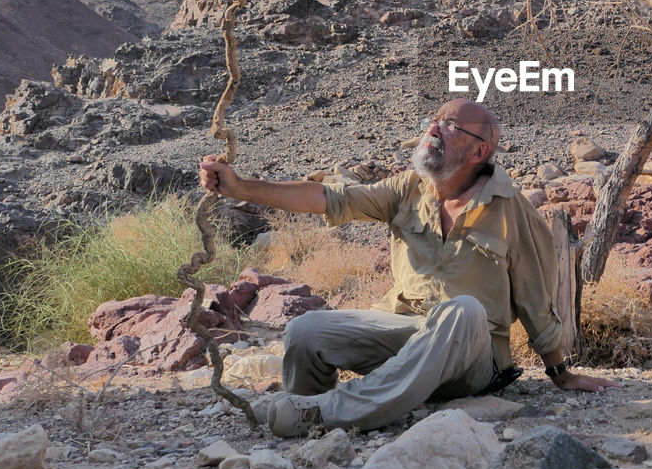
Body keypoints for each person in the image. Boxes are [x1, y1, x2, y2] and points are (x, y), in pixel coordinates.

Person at [199, 98, 617, 437]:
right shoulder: (407, 189)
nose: (434, 129)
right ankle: (306, 412)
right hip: (405, 333)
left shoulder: (511, 208)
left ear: (480, 151)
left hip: (471, 354)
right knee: (304, 330)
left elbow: (535, 294)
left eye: (450, 126)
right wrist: (240, 187)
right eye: (434, 120)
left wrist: (560, 371)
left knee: (464, 309)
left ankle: (330, 412)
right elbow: (328, 199)